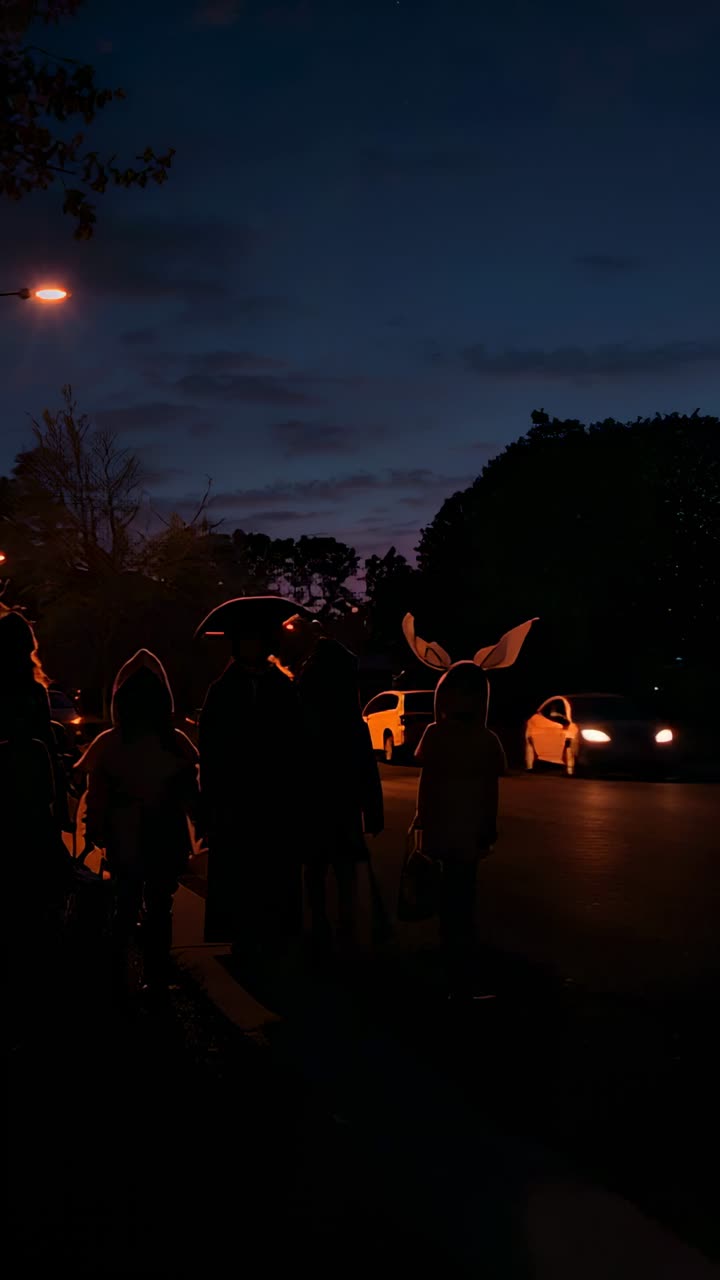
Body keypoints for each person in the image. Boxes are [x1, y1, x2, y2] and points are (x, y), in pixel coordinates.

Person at [76, 650, 201, 999]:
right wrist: (202, 821)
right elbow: (191, 791)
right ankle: (155, 977)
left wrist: (94, 829)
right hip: (163, 834)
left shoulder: (111, 744)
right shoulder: (174, 743)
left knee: (126, 904)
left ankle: (119, 977)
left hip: (126, 835)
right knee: (159, 906)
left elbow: (96, 793)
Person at [197, 597, 309, 958]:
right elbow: (211, 749)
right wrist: (211, 799)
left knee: (275, 870)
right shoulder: (222, 690)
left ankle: (276, 932)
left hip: (276, 795)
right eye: (246, 641)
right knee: (241, 871)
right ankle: (243, 936)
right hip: (236, 796)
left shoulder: (284, 687)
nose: (253, 648)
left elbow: (297, 741)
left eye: (258, 641)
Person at [275, 613, 384, 950]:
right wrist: (373, 810)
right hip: (342, 803)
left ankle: (321, 928)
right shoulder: (350, 720)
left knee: (316, 868)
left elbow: (289, 762)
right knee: (342, 868)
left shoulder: (303, 709)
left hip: (313, 802)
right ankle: (345, 929)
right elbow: (366, 766)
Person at [413, 660, 506, 996]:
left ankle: (452, 943)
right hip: (463, 822)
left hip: (454, 822)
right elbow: (487, 786)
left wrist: (423, 819)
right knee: (461, 885)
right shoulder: (483, 738)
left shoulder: (438, 735)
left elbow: (429, 781)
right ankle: (458, 943)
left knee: (455, 885)